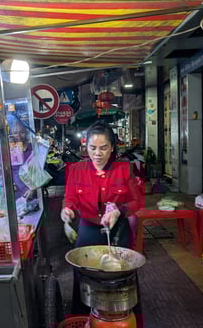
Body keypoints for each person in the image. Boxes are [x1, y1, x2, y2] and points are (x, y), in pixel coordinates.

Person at [61, 121, 144, 314]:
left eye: (103, 148)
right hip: (88, 227)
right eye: (92, 148)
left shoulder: (125, 169)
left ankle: (128, 315)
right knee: (82, 270)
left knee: (123, 272)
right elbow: (70, 199)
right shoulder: (77, 170)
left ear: (112, 148)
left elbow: (137, 202)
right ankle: (81, 316)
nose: (97, 154)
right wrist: (68, 211)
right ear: (86, 147)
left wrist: (119, 210)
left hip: (118, 230)